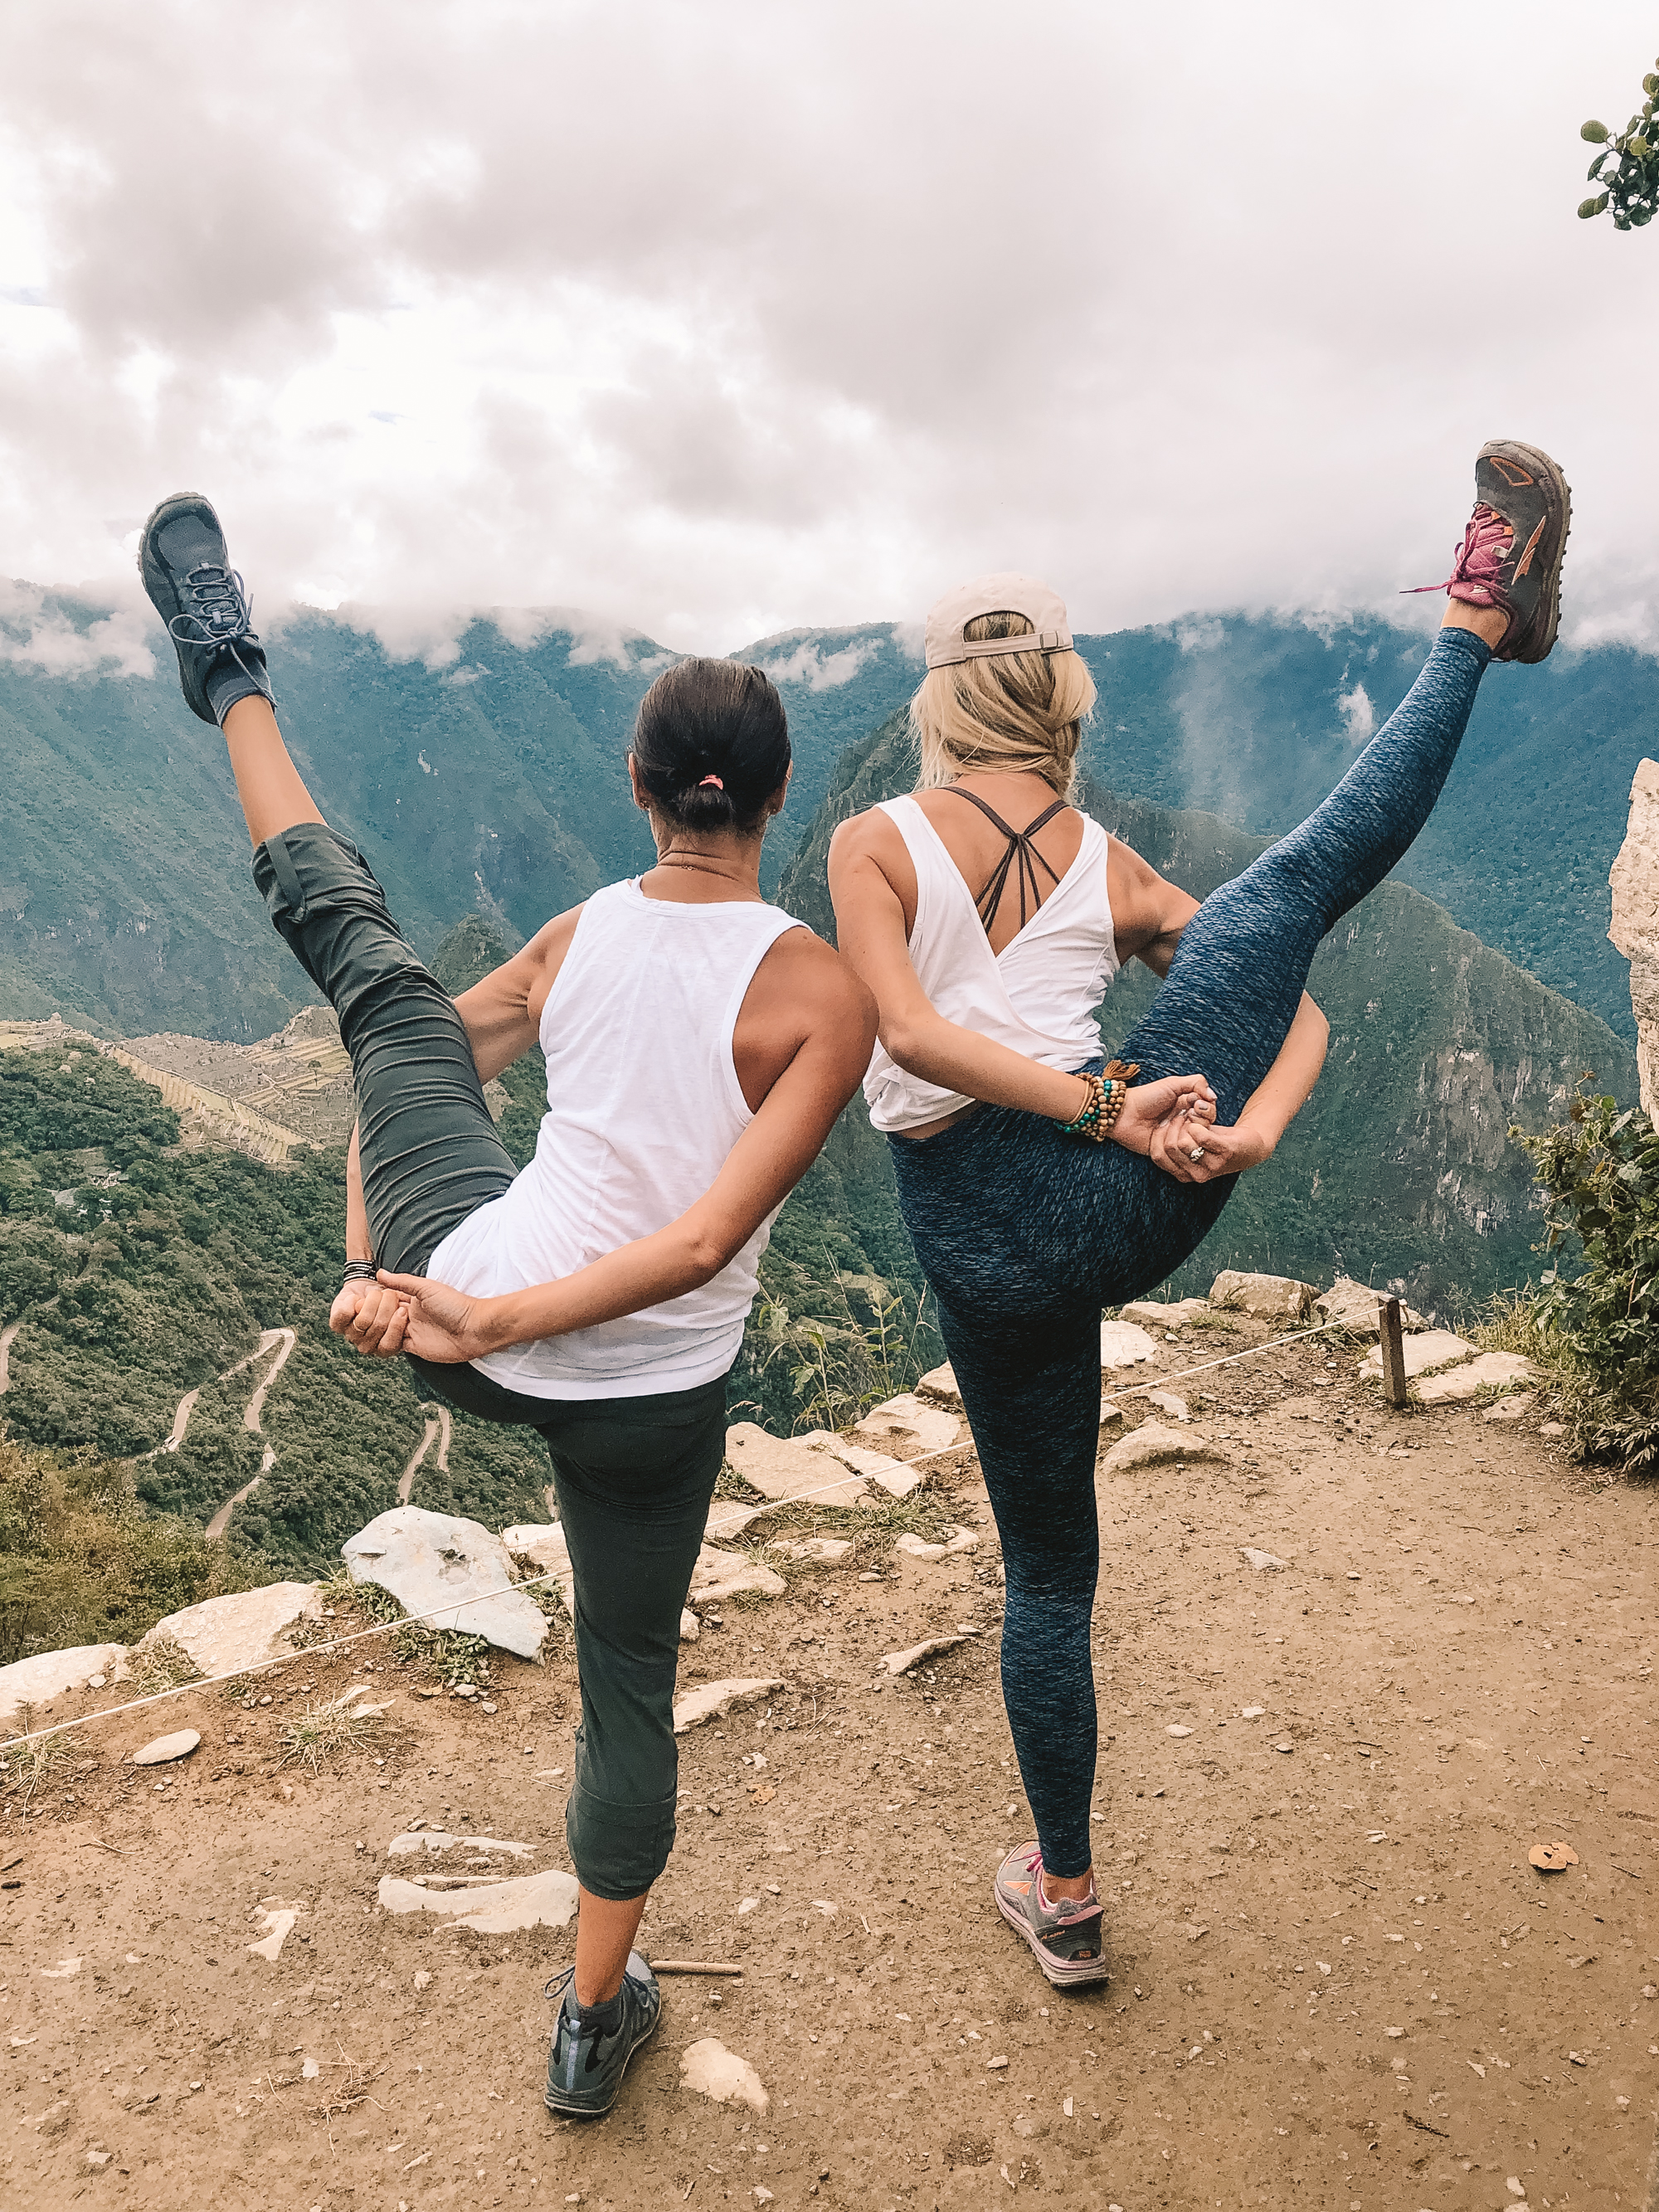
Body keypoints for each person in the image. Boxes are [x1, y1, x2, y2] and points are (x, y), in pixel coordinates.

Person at [136, 493, 877, 2112]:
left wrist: (394, 1279)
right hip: (634, 1386)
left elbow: (393, 1062)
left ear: (637, 787)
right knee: (623, 1676)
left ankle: (228, 669)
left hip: (467, 1313)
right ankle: (590, 2018)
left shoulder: (571, 937)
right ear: (775, 802)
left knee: (372, 968)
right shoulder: (822, 990)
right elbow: (696, 1248)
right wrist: (489, 1315)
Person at [826, 441, 1570, 1990]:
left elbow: (904, 1034)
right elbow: (1287, 1002)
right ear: (1066, 701)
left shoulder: (874, 842)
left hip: (992, 1233)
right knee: (1291, 888)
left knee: (1045, 1577)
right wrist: (1214, 1127)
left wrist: (1223, 1132)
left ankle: (1069, 1893)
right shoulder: (1111, 867)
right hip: (1120, 1202)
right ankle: (1476, 620)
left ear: (944, 709)